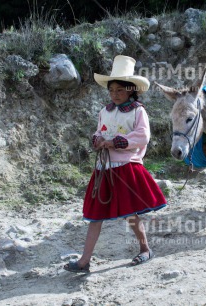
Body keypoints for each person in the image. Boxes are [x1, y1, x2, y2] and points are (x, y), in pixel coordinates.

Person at [64, 55, 167, 273]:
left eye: (119, 90)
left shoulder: (139, 111)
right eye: (112, 91)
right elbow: (98, 130)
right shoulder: (105, 111)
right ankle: (84, 261)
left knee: (131, 213)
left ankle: (145, 249)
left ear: (131, 89)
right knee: (95, 215)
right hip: (103, 169)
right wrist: (97, 140)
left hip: (125, 168)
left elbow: (142, 137)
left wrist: (113, 142)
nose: (115, 94)